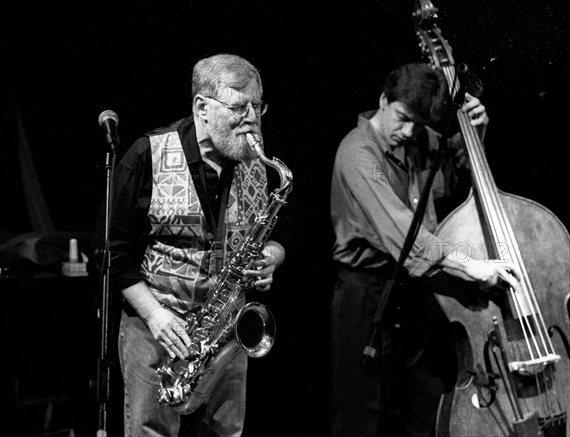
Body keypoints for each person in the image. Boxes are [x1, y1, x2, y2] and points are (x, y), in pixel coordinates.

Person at [97, 53, 291, 437]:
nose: (251, 118)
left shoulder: (258, 155)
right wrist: (155, 316)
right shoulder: (145, 155)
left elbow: (285, 233)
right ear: (202, 107)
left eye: (257, 105)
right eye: (238, 106)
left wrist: (273, 255)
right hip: (157, 329)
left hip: (227, 331)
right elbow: (113, 256)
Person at [329, 62, 522, 437]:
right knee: (362, 419)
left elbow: (456, 176)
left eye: (418, 123)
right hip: (366, 296)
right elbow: (407, 235)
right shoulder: (356, 153)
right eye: (402, 119)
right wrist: (474, 266)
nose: (409, 132)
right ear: (383, 100)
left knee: (427, 412)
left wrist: (475, 132)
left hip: (417, 292)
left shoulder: (419, 138)